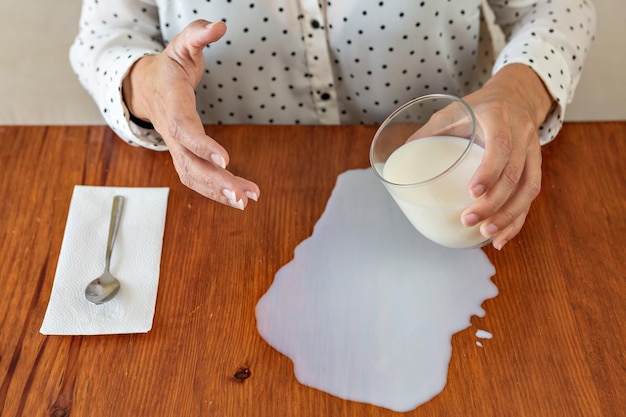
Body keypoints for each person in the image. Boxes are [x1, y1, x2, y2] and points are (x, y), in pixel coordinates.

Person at [70, 0, 596, 250]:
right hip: (236, 206)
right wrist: (149, 86)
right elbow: (106, 37)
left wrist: (520, 90)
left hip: (462, 165)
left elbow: (557, 8)